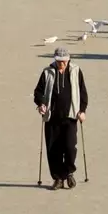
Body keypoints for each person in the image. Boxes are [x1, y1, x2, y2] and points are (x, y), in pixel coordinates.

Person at [33, 46, 88, 191]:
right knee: (53, 149)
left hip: (70, 116)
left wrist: (82, 111)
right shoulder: (47, 72)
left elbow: (83, 93)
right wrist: (41, 104)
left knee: (70, 148)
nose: (61, 64)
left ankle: (69, 172)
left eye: (63, 61)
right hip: (52, 118)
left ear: (68, 59)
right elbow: (38, 92)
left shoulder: (76, 71)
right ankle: (58, 178)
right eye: (58, 61)